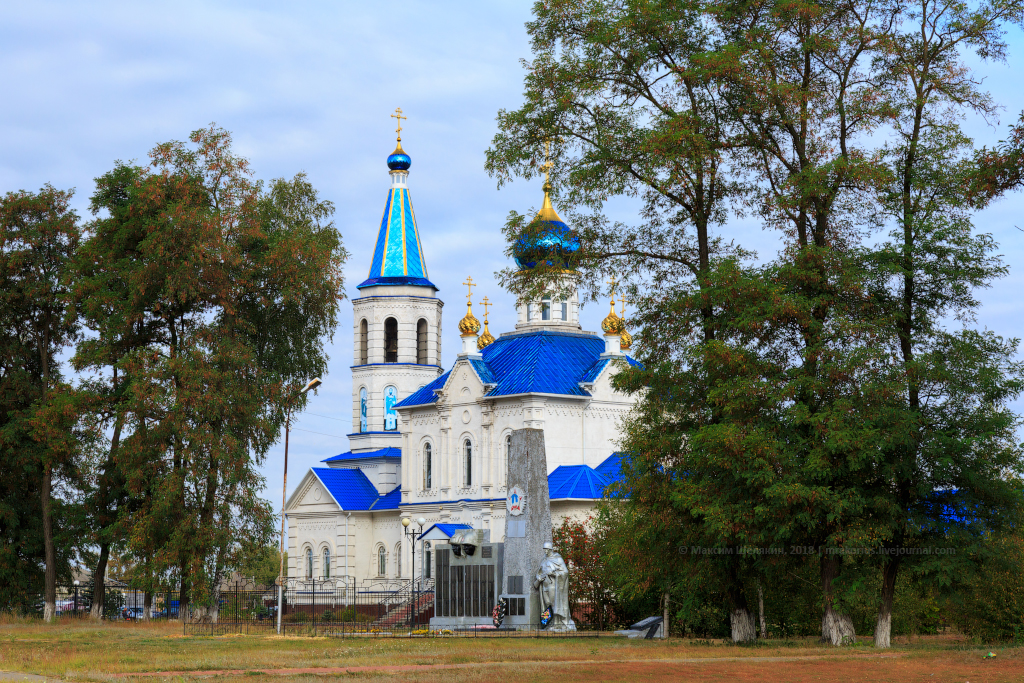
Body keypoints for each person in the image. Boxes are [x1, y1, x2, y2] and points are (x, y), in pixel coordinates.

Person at [533, 542, 576, 631]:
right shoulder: (544, 559)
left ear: (550, 549)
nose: (545, 551)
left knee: (554, 604)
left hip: (552, 585)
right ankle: (549, 623)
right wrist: (539, 577)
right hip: (544, 586)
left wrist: (554, 574)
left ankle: (557, 624)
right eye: (544, 549)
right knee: (547, 604)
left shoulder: (557, 559)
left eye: (546, 549)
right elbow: (539, 572)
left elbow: (565, 572)